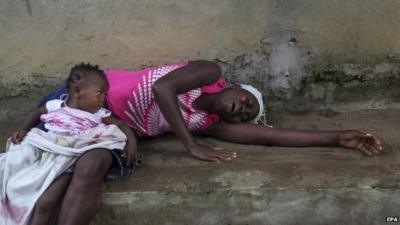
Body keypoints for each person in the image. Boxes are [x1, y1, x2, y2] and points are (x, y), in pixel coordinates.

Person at [32, 60, 382, 225]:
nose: (243, 110)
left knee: (87, 170)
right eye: (247, 100)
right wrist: (191, 146)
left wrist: (337, 137)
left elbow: (275, 137)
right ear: (233, 85)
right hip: (84, 99)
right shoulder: (209, 73)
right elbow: (161, 88)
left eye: (246, 115)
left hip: (110, 129)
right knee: (39, 167)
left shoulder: (210, 124)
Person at [0, 63, 137, 225]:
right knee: (32, 195)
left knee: (47, 202)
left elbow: (121, 125)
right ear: (78, 91)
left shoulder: (99, 115)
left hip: (68, 162)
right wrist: (23, 129)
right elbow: (37, 114)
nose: (103, 99)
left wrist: (132, 143)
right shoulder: (56, 106)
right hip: (46, 155)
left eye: (105, 95)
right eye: (99, 93)